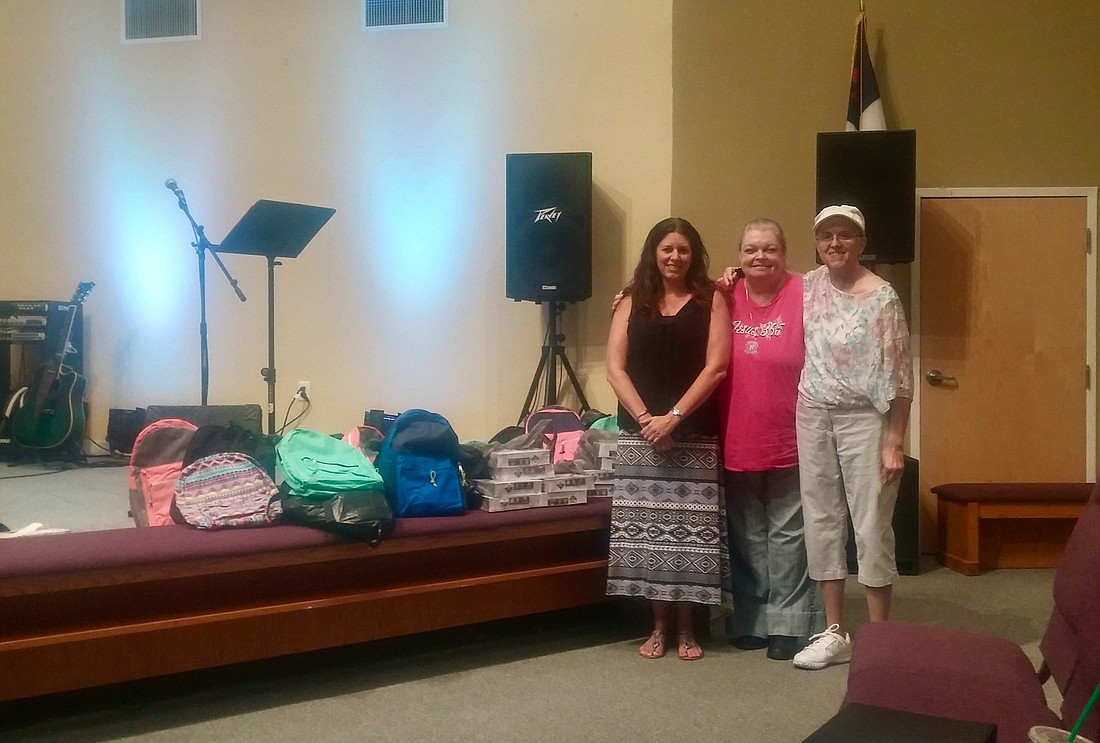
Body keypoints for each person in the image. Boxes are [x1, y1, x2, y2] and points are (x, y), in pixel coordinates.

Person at [790, 205, 914, 671]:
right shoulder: (807, 286)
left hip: (866, 417)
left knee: (870, 523)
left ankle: (879, 640)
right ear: (818, 243)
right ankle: (835, 631)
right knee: (821, 520)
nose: (835, 244)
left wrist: (894, 440)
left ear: (862, 243)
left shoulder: (882, 297)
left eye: (845, 236)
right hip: (813, 413)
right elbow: (759, 288)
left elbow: (901, 376)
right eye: (826, 236)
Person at [605, 216, 732, 661]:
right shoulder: (630, 300)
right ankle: (657, 627)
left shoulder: (712, 298)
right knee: (648, 540)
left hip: (693, 435)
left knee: (690, 538)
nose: (674, 257)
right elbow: (614, 368)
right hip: (640, 437)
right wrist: (647, 420)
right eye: (666, 249)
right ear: (653, 254)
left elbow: (716, 366)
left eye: (682, 249)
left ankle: (687, 629)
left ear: (693, 254)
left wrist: (673, 418)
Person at [721, 218, 822, 662]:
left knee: (788, 534)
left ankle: (788, 623)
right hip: (735, 434)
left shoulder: (807, 291)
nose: (759, 256)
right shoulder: (722, 296)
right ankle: (751, 620)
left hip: (793, 434)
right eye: (750, 250)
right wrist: (627, 295)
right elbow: (671, 294)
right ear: (739, 256)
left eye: (769, 249)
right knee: (746, 532)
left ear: (784, 252)